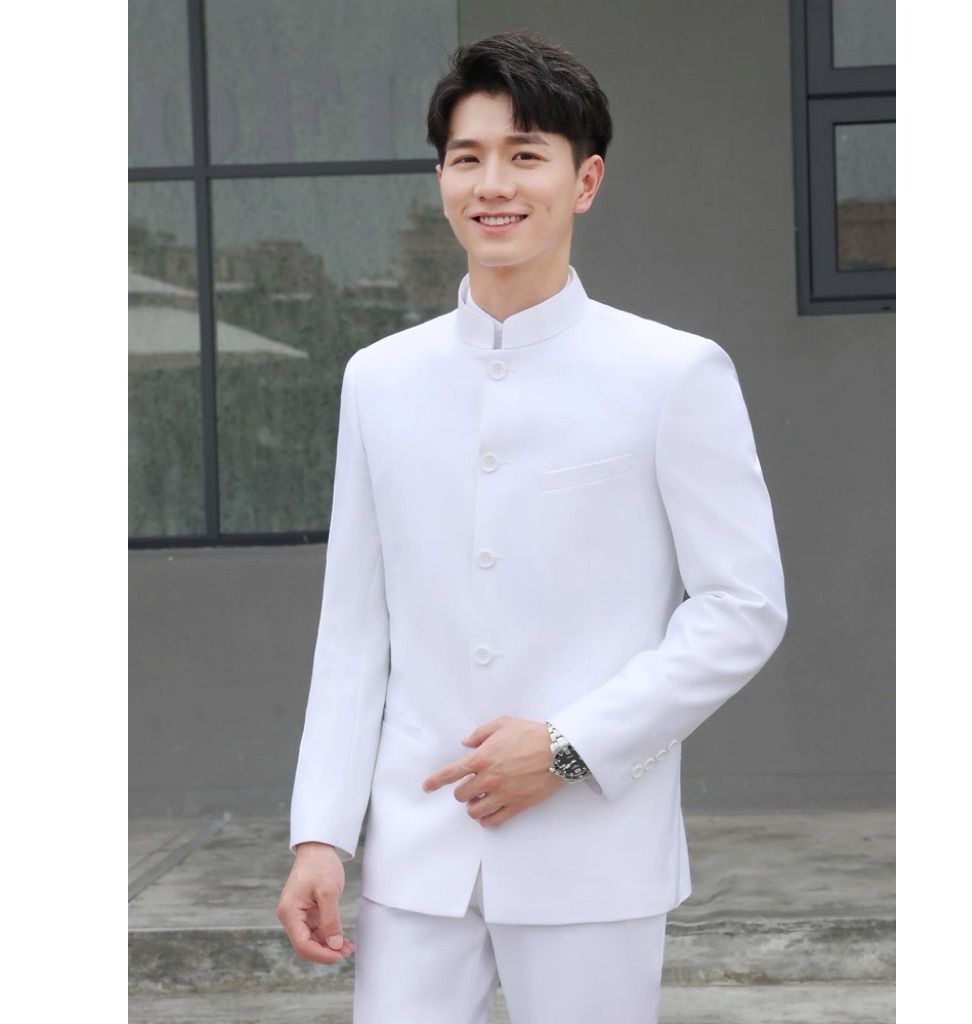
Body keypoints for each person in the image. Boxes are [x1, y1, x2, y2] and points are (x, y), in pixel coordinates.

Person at [277, 30, 787, 1024]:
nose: (493, 184)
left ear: (584, 180)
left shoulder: (672, 373)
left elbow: (742, 608)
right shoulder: (379, 380)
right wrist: (320, 835)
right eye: (466, 157)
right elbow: (354, 632)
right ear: (440, 180)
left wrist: (565, 746)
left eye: (525, 154)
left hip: (592, 852)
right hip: (414, 859)